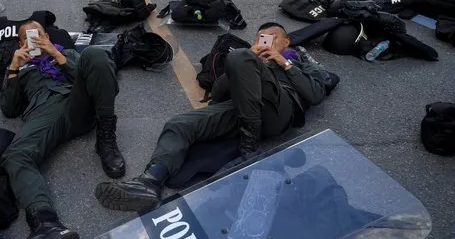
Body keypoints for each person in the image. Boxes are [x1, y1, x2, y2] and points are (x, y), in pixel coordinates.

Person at [95, 22, 338, 212]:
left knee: (240, 56)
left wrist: (281, 61)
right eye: (261, 38)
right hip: (242, 109)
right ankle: (148, 182)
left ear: (285, 41)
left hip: (278, 110)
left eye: (272, 37)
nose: (266, 42)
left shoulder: (300, 62)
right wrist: (242, 65)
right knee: (179, 124)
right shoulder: (246, 58)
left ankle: (248, 147)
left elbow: (315, 93)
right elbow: (219, 94)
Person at [0, 20, 125, 239]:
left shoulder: (65, 53)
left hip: (78, 104)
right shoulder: (20, 67)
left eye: (38, 35)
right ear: (21, 43)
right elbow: (9, 109)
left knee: (96, 54)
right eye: (27, 38)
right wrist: (13, 69)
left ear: (46, 35)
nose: (33, 41)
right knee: (15, 155)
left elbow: (97, 80)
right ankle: (46, 225)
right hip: (45, 113)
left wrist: (56, 54)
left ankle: (106, 139)